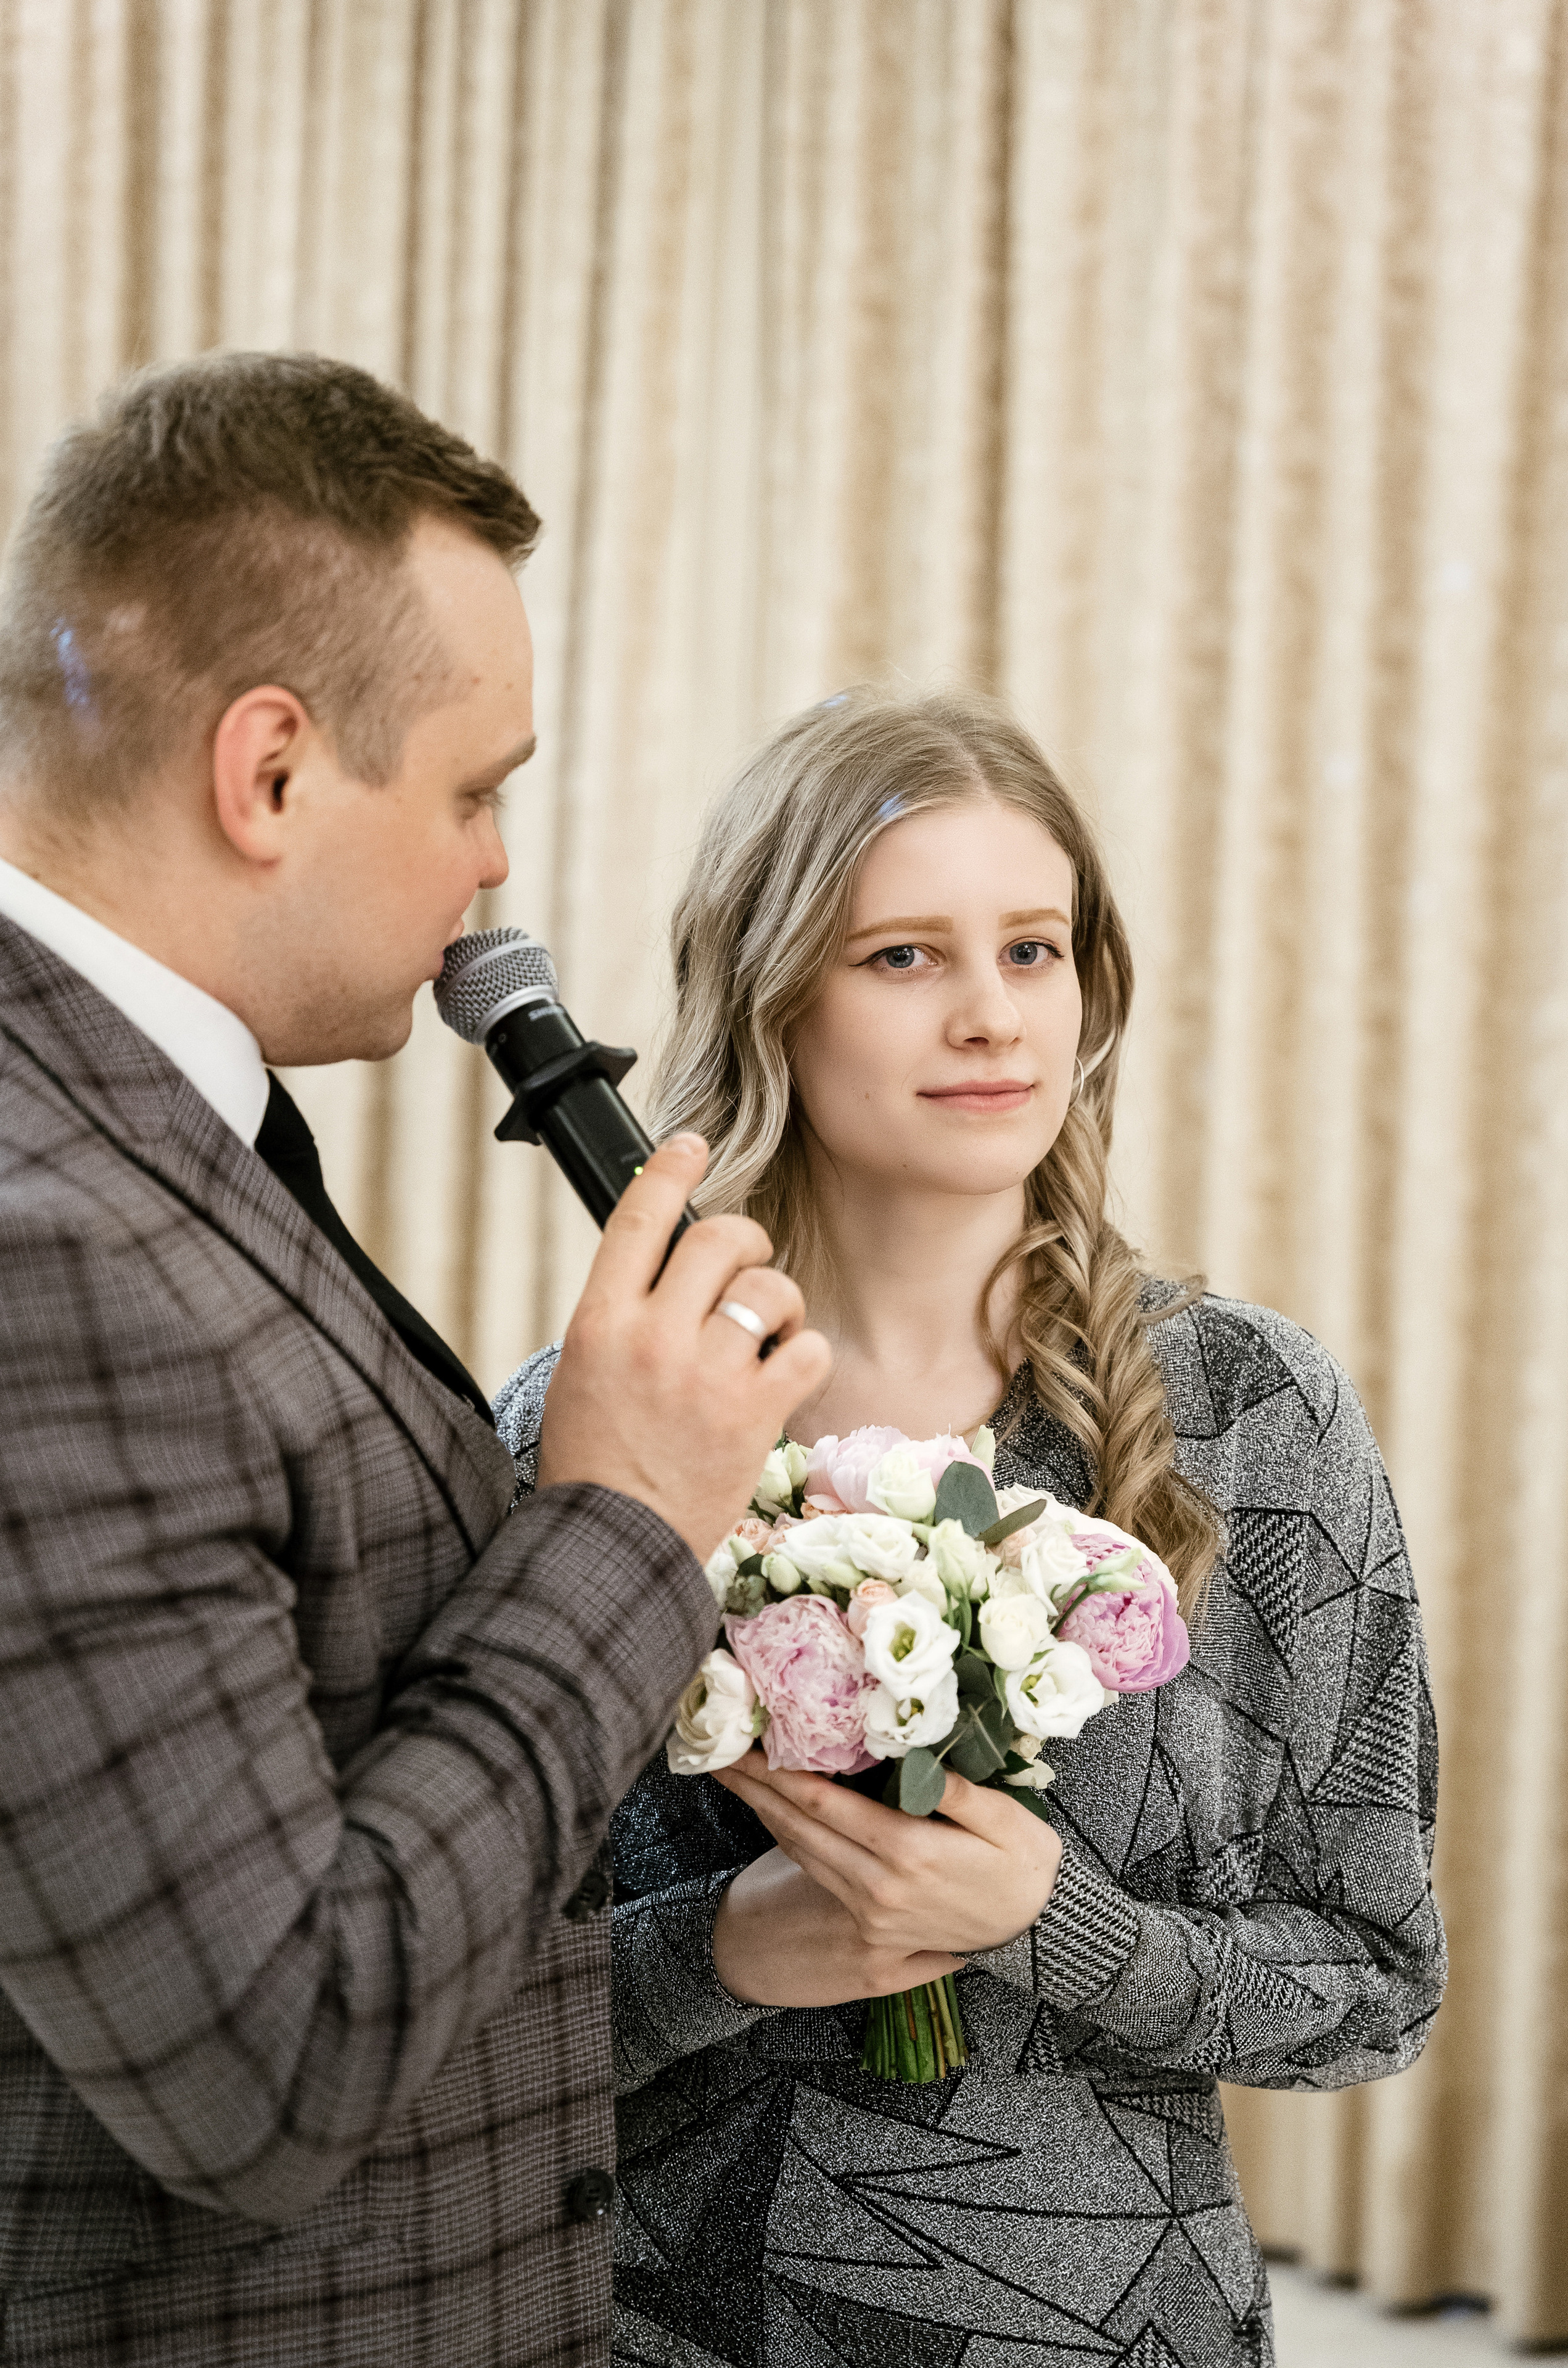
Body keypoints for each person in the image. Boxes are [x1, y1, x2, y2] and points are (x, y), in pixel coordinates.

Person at [0, 353, 829, 2368]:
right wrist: (629, 1520)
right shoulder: (44, 1246)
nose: (493, 875)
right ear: (268, 770)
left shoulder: (144, 1122)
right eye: (476, 791)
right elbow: (272, 2068)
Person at [495, 688, 1448, 2368]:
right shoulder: (580, 1423)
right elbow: (450, 2020)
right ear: (775, 995)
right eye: (904, 959)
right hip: (665, 2329)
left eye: (1034, 949)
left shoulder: (1257, 1415)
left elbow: (1377, 1982)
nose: (995, 1019)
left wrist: (1056, 1927)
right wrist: (732, 1949)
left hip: (1120, 2328)